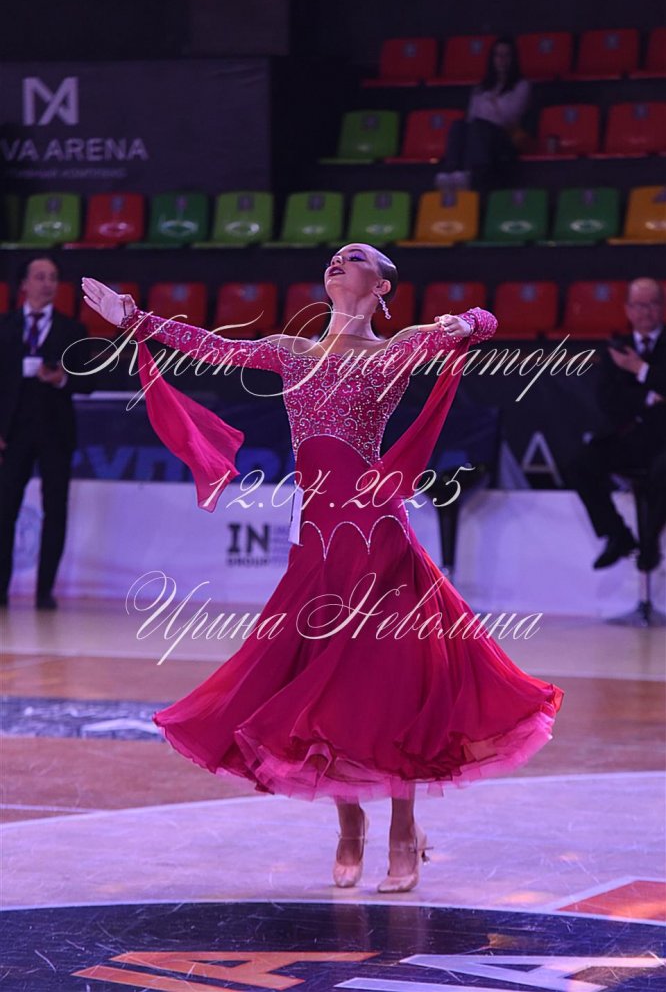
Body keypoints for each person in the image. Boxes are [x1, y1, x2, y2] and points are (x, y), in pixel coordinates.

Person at [82, 244, 563, 894]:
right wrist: (137, 320)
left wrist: (465, 322)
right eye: (335, 255)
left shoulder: (396, 350)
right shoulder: (292, 351)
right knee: (320, 681)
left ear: (382, 285)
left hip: (378, 538)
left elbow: (487, 323)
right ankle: (349, 822)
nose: (339, 260)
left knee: (392, 681)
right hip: (317, 541)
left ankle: (403, 828)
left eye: (355, 257)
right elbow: (212, 348)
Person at [0, 257, 95, 609]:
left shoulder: (72, 330)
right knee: (4, 509)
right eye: (40, 277)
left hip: (55, 432)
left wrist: (61, 378)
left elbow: (88, 381)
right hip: (12, 433)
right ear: (24, 284)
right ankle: (1, 589)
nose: (47, 283)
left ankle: (44, 592)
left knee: (55, 510)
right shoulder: (4, 327)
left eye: (53, 277)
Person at [568, 278, 666, 572]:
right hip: (628, 435)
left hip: (663, 440)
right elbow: (608, 400)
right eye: (638, 305)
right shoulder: (616, 348)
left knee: (663, 472)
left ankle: (650, 543)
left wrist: (639, 369)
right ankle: (618, 535)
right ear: (627, 309)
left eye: (652, 304)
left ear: (661, 306)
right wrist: (650, 395)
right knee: (580, 464)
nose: (645, 312)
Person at [435, 36, 531, 193]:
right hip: (480, 135)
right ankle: (451, 172)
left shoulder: (521, 86)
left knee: (480, 127)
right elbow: (471, 117)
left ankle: (472, 174)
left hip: (504, 138)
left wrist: (493, 102)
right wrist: (493, 105)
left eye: (506, 55)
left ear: (513, 59)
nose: (501, 60)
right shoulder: (480, 88)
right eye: (497, 55)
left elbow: (510, 117)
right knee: (459, 126)